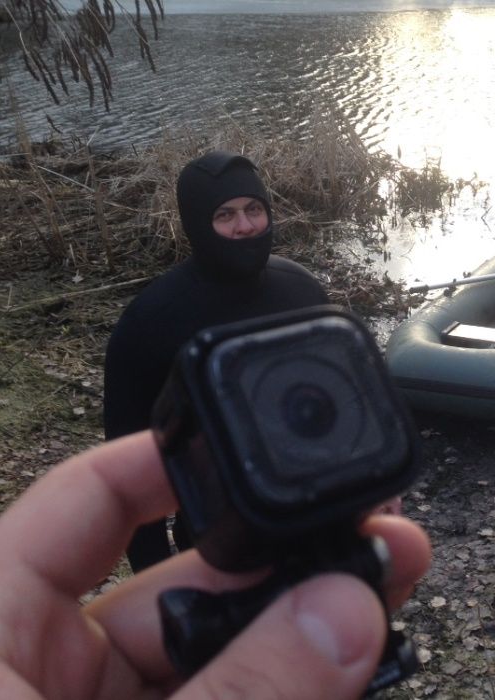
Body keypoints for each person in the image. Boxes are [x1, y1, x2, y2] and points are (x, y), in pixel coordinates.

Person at [0, 432, 431, 699]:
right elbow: (131, 488)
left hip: (307, 554)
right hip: (218, 557)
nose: (242, 241)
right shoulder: (152, 319)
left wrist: (372, 495)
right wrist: (153, 568)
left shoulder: (299, 289)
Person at [104, 150, 330, 572]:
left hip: (316, 523)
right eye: (225, 215)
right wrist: (156, 580)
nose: (245, 226)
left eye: (254, 209)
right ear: (195, 224)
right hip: (216, 546)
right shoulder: (150, 322)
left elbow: (343, 406)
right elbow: (130, 471)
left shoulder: (301, 292)